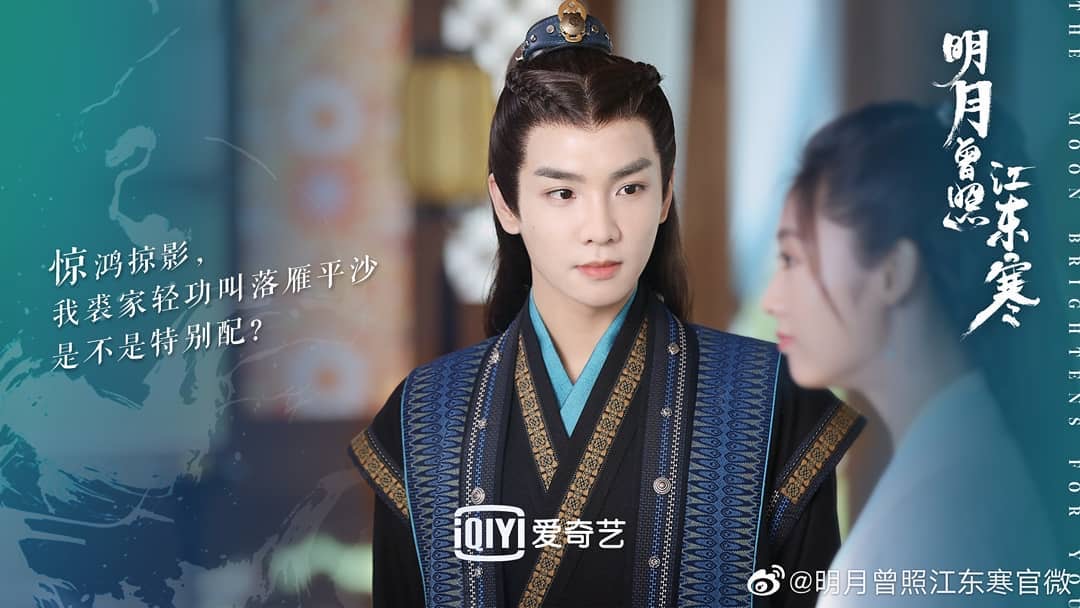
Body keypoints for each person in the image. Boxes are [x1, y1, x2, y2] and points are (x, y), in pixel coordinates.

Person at [350, 3, 863, 606]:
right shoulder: (424, 415)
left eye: (630, 188)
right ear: (506, 204)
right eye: (562, 193)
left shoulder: (771, 398)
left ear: (665, 195)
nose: (601, 228)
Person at [761, 102, 1058, 607]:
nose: (772, 299)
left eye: (792, 258)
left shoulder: (925, 531)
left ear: (893, 273)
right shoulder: (975, 464)